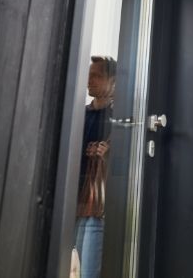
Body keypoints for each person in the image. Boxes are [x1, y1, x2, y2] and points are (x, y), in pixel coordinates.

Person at [75, 55, 117, 278]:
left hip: (99, 206)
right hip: (74, 204)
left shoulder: (119, 118)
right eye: (89, 75)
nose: (89, 80)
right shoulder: (79, 114)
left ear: (113, 81)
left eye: (97, 76)